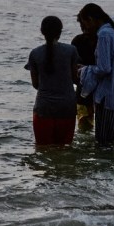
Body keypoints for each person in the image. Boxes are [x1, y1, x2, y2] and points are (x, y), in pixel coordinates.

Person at [75, 3, 114, 147]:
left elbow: (104, 68)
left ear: (91, 19)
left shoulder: (104, 34)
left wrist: (84, 70)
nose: (85, 29)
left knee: (103, 143)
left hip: (108, 96)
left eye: (85, 24)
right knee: (110, 142)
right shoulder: (112, 32)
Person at [26, 16, 80, 146]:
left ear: (42, 31)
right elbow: (75, 79)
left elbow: (36, 84)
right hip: (67, 107)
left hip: (44, 108)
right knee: (64, 150)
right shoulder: (71, 51)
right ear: (60, 32)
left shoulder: (35, 53)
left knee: (43, 150)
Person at [70, 26, 97, 131]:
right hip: (97, 90)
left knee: (84, 129)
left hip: (83, 91)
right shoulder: (100, 40)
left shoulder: (77, 40)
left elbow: (73, 69)